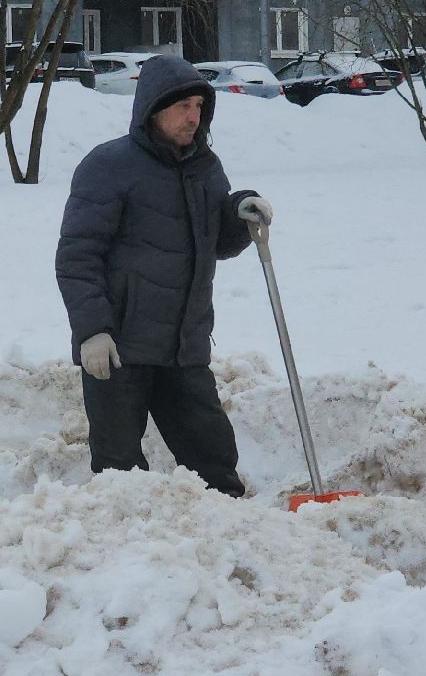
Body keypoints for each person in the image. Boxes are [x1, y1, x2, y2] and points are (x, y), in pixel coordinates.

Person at [54, 54, 273, 497]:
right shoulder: (109, 165)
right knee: (119, 474)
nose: (194, 117)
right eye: (183, 107)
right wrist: (93, 331)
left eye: (199, 106)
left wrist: (238, 213)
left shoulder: (205, 167)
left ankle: (229, 532)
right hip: (120, 349)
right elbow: (78, 256)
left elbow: (216, 244)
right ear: (153, 108)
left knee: (215, 464)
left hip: (184, 346)